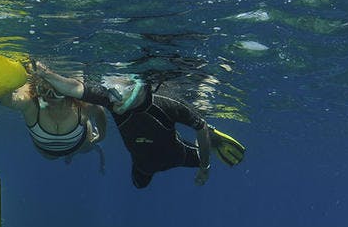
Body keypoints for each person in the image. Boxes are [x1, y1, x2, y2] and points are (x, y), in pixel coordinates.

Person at [33, 63, 244, 189]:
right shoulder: (111, 100)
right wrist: (45, 73)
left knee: (201, 136)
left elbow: (199, 126)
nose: (111, 96)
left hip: (169, 157)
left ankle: (211, 138)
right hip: (155, 161)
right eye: (109, 90)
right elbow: (75, 88)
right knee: (142, 184)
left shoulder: (166, 104)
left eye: (118, 90)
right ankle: (209, 140)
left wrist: (205, 167)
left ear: (135, 86)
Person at [0, 60, 107, 165]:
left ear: (67, 91)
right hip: (48, 153)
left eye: (58, 91)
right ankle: (71, 154)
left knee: (86, 148)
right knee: (51, 157)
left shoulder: (83, 106)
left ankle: (73, 154)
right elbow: (7, 101)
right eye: (45, 91)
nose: (52, 96)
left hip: (79, 145)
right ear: (38, 90)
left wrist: (101, 137)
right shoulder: (31, 103)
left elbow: (99, 111)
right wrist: (10, 76)